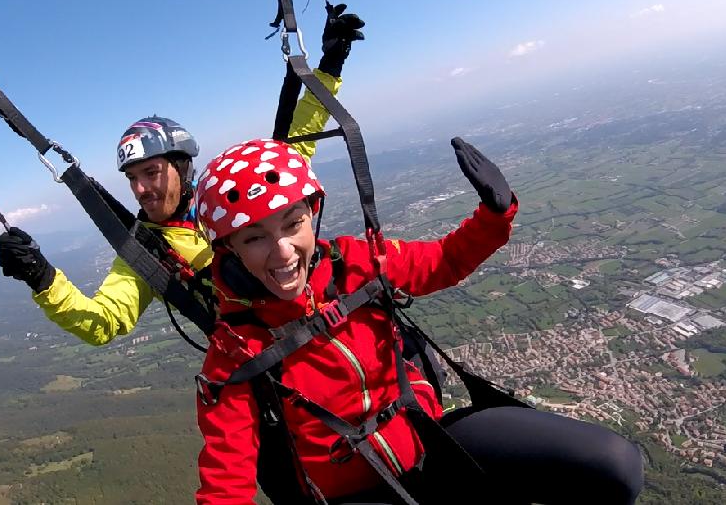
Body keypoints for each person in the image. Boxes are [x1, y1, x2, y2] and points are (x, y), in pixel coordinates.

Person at [193, 137, 644, 505]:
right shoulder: (235, 350)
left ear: (313, 216)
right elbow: (226, 477)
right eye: (255, 238)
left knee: (613, 466)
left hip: (434, 444)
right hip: (359, 495)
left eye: (292, 224)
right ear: (229, 250)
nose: (283, 252)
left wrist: (494, 214)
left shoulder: (355, 263)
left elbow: (443, 261)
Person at [0, 5, 366, 346]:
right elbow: (103, 322)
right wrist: (42, 277)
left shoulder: (225, 195)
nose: (141, 189)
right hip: (272, 360)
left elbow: (292, 147)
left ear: (182, 168)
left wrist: (330, 66)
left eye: (151, 173)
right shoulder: (144, 251)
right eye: (132, 179)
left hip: (329, 314)